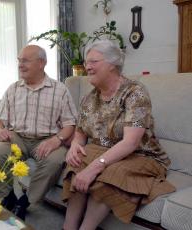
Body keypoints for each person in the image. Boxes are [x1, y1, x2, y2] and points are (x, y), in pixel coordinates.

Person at [62, 39, 176, 230]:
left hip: (141, 155)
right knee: (78, 162)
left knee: (111, 173)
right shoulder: (89, 98)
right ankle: (68, 227)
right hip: (105, 149)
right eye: (86, 62)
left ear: (112, 64)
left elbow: (130, 143)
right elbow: (80, 133)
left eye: (93, 62)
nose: (87, 67)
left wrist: (94, 168)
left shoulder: (135, 92)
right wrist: (74, 145)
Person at [0, 45, 77, 220]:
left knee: (56, 160)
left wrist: (57, 139)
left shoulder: (59, 90)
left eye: (25, 61)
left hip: (47, 139)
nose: (20, 65)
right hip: (18, 137)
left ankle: (25, 201)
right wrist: (0, 130)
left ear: (41, 63)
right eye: (19, 60)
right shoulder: (13, 89)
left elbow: (70, 124)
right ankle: (7, 196)